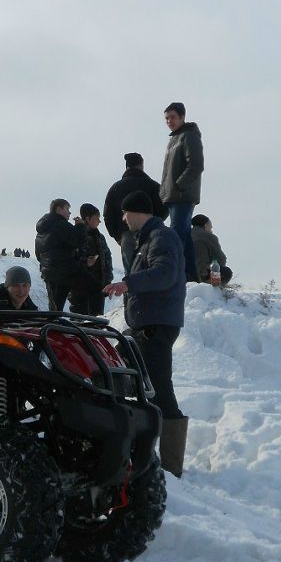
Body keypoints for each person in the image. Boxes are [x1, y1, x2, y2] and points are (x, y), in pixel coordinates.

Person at [102, 191, 188, 477]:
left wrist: (128, 284)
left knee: (160, 390)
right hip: (145, 326)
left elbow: (165, 274)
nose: (124, 219)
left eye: (126, 214)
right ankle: (142, 454)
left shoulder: (162, 238)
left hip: (156, 327)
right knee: (137, 387)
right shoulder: (150, 239)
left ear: (137, 211)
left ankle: (172, 468)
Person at [159, 102, 204, 283]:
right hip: (172, 196)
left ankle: (175, 274)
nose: (169, 121)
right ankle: (191, 276)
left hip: (182, 195)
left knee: (175, 235)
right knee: (184, 236)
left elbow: (196, 165)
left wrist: (178, 185)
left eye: (173, 117)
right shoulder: (173, 140)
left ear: (182, 117)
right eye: (167, 118)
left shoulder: (189, 136)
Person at [103, 152, 168, 273]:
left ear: (126, 167)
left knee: (131, 275)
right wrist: (154, 223)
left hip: (126, 235)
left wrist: (117, 235)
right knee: (152, 269)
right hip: (152, 233)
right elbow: (165, 208)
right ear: (142, 166)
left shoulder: (115, 188)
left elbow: (108, 216)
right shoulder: (154, 186)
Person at [34, 198, 89, 311]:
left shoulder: (41, 230)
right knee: (89, 293)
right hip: (64, 272)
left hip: (48, 273)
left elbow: (38, 254)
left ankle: (52, 326)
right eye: (67, 209)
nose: (69, 213)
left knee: (54, 308)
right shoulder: (62, 225)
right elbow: (79, 242)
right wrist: (80, 226)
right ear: (59, 209)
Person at [68, 203, 113, 316]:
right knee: (79, 324)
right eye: (96, 218)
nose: (99, 221)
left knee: (97, 324)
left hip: (98, 288)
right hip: (79, 290)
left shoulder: (100, 237)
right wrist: (85, 263)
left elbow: (107, 259)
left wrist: (107, 281)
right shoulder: (76, 234)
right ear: (87, 219)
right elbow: (70, 259)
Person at [189, 214, 232, 284]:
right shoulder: (209, 237)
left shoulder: (185, 234)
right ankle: (212, 290)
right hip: (202, 274)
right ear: (205, 225)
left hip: (185, 273)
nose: (211, 229)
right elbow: (221, 259)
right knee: (227, 272)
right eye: (210, 227)